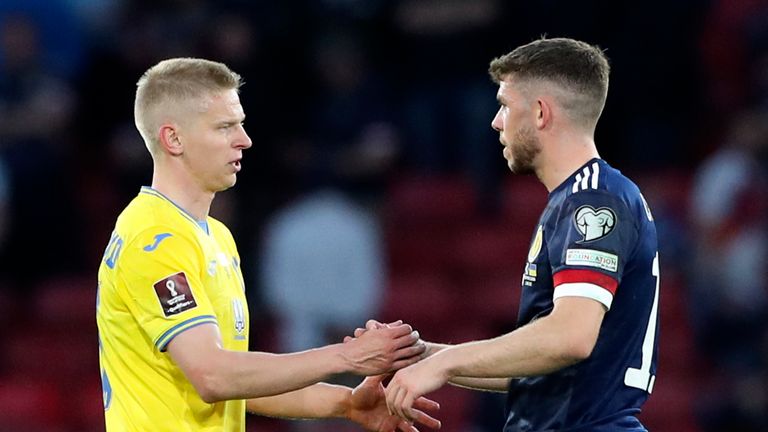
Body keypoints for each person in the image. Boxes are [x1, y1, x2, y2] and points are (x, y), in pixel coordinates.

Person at [95, 58, 440, 432]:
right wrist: (346, 356)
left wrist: (347, 403)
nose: (244, 139)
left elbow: (237, 382)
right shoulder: (153, 239)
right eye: (225, 126)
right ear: (173, 139)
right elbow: (213, 377)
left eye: (240, 124)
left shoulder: (215, 236)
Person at [380, 37, 660, 431]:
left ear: (541, 112)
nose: (496, 121)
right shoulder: (575, 199)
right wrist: (425, 355)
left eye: (505, 105)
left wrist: (447, 362)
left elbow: (570, 337)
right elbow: (546, 366)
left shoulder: (593, 202)